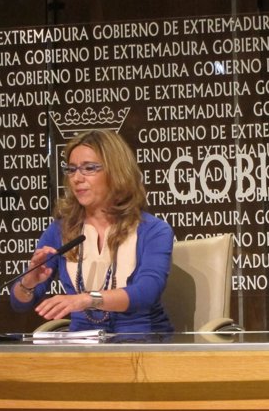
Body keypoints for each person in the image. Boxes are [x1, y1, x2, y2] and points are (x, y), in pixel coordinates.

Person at [10, 129, 174, 333]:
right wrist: (28, 282)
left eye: (89, 168)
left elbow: (147, 292)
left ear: (116, 172)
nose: (77, 178)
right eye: (71, 169)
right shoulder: (60, 231)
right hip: (83, 346)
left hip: (142, 342)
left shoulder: (153, 230)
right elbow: (20, 303)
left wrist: (86, 300)